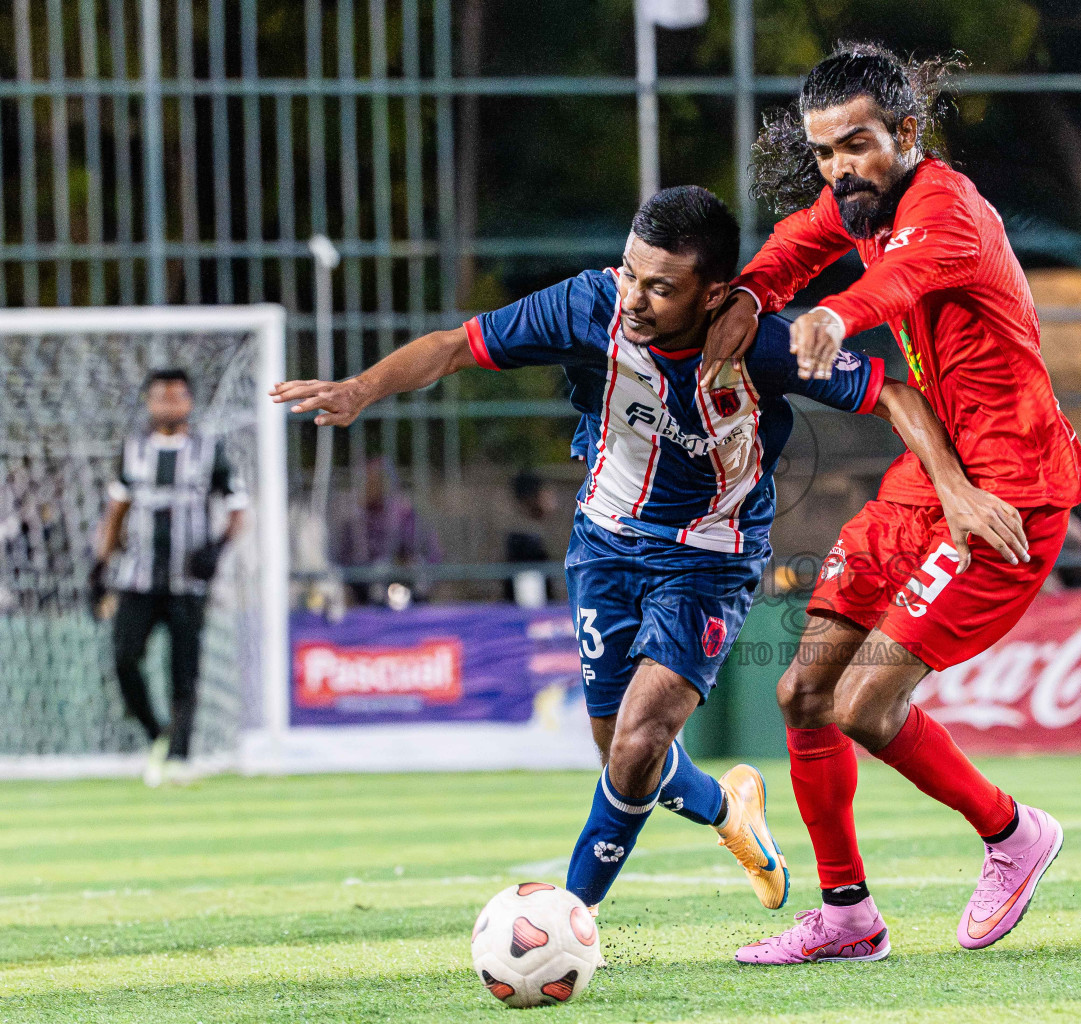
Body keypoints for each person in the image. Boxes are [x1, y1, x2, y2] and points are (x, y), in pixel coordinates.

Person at [270, 185, 1022, 925]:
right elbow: (454, 348)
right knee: (622, 756)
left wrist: (955, 490)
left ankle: (567, 919)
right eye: (631, 272)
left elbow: (894, 393)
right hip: (601, 545)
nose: (634, 298)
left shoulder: (763, 345)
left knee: (637, 743)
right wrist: (360, 390)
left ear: (716, 292)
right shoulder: (585, 308)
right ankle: (730, 810)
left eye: (661, 288)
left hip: (708, 560)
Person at [701, 44, 1081, 963]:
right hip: (932, 481)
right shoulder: (859, 205)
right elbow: (798, 244)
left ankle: (1013, 834)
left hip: (1011, 492)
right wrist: (752, 295)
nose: (842, 169)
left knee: (866, 707)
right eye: (826, 152)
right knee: (802, 691)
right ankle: (847, 918)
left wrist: (835, 315)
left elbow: (894, 285)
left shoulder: (946, 208)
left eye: (859, 146)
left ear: (906, 135)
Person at [92, 369, 246, 787]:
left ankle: (180, 755)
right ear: (148, 403)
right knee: (123, 658)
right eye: (161, 398)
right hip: (136, 578)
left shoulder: (210, 451)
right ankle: (156, 731)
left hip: (188, 580)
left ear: (190, 403)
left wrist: (218, 548)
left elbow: (237, 508)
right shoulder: (133, 450)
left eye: (177, 398)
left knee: (185, 670)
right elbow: (117, 511)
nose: (169, 405)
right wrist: (100, 566)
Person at [332, 457, 442, 607]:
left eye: (373, 481)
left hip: (405, 581)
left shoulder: (404, 513)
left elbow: (428, 551)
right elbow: (345, 561)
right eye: (365, 481)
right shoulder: (355, 521)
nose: (367, 486)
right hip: (370, 587)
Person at [504, 469, 557, 606]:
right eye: (545, 493)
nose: (551, 498)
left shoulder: (541, 532)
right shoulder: (524, 540)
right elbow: (531, 605)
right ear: (531, 497)